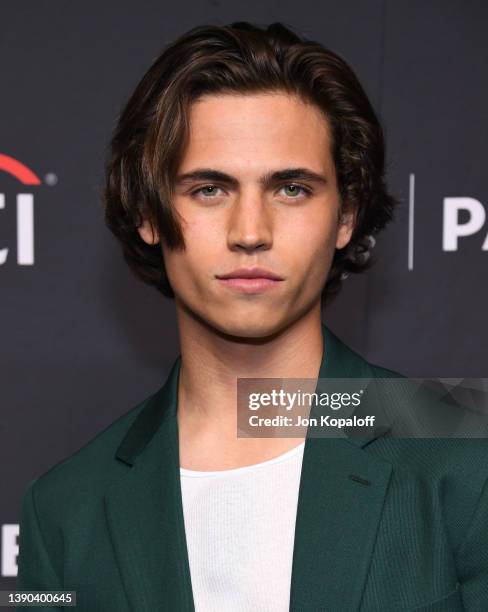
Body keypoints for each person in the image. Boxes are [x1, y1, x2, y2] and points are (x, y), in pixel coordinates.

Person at [16, 21, 488, 611]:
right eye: (209, 189)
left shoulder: (469, 454)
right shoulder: (64, 510)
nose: (250, 233)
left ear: (345, 218)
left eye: (291, 189)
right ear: (149, 214)